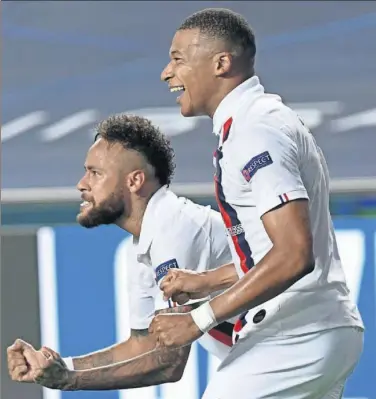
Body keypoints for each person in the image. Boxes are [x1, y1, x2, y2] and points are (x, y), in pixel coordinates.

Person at [150, 7, 365, 399]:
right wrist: (206, 281)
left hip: (295, 334)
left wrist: (200, 319)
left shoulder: (255, 131)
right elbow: (274, 250)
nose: (167, 72)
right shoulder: (257, 122)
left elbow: (295, 254)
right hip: (318, 330)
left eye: (178, 59)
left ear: (221, 63)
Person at [6, 114, 239, 391]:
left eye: (95, 173)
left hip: (286, 344)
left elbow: (168, 363)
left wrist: (69, 381)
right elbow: (143, 345)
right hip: (262, 353)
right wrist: (61, 366)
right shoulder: (141, 246)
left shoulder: (174, 225)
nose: (82, 184)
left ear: (135, 181)